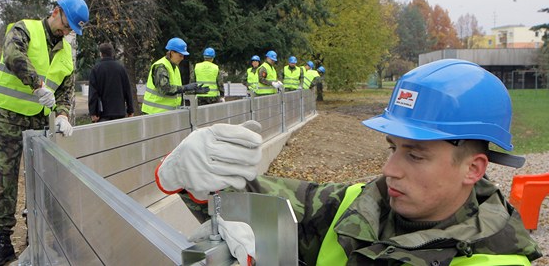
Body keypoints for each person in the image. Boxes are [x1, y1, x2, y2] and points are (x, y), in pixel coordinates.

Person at [155, 59, 542, 265]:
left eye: (415, 154)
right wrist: (197, 174)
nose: (390, 169)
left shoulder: (493, 263)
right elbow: (256, 200)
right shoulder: (358, 203)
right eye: (393, 148)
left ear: (473, 169)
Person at [0, 0, 89, 265]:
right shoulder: (24, 29)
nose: (67, 33)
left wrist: (64, 115)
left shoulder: (66, 52)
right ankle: (2, 242)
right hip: (7, 116)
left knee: (45, 177)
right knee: (4, 179)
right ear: (56, 12)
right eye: (66, 26)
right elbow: (12, 55)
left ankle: (40, 232)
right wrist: (37, 85)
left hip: (38, 121)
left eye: (71, 31)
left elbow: (67, 90)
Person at [141, 37, 208, 115]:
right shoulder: (161, 66)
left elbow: (176, 90)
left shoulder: (174, 67)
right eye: (180, 55)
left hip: (166, 114)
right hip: (154, 113)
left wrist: (193, 90)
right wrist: (186, 88)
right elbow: (165, 89)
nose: (182, 58)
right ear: (172, 53)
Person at [88, 43, 134, 122]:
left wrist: (93, 112)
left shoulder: (96, 69)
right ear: (112, 53)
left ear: (100, 54)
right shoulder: (121, 68)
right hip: (119, 112)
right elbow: (127, 90)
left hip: (103, 114)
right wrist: (130, 110)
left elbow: (93, 93)